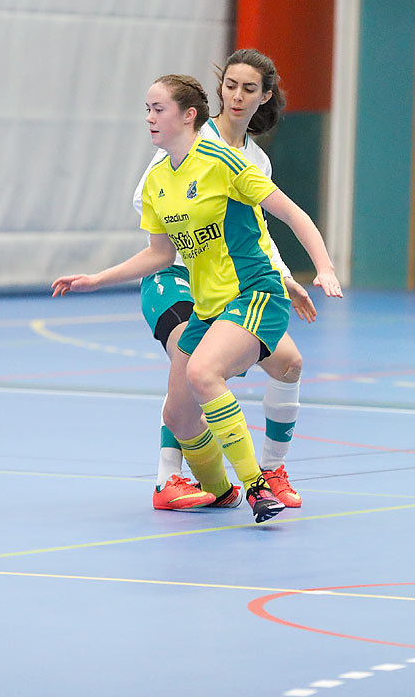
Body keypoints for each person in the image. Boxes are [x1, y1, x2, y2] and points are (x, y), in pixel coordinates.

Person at [53, 73, 342, 524]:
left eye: (158, 109)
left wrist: (322, 267)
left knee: (205, 371)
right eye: (147, 109)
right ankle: (219, 489)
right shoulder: (156, 183)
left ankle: (260, 486)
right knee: (180, 414)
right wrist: (97, 278)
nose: (149, 117)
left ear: (189, 116)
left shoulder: (226, 163)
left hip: (253, 293)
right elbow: (160, 253)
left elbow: (291, 214)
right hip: (209, 306)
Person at [130, 50, 313, 512]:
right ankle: (169, 476)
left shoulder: (253, 160)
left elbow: (261, 229)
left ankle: (268, 470)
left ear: (263, 97)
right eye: (230, 85)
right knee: (188, 363)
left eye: (248, 89)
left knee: (288, 362)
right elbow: (151, 210)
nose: (236, 96)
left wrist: (285, 276)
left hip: (228, 283)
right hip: (175, 276)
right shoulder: (190, 139)